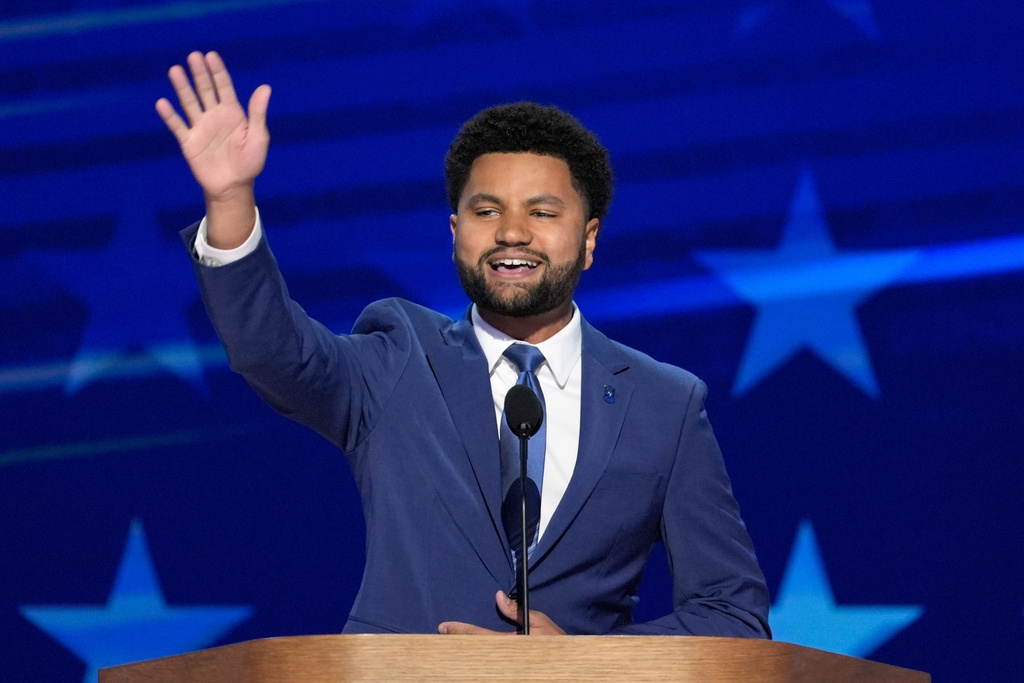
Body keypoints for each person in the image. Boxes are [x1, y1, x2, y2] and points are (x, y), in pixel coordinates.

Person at [157, 51, 771, 637]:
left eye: (542, 213)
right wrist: (231, 199)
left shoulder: (666, 404)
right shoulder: (399, 355)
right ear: (455, 233)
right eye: (486, 211)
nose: (511, 233)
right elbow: (272, 353)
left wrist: (585, 660)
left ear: (588, 239)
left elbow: (733, 615)